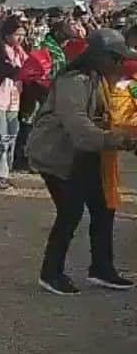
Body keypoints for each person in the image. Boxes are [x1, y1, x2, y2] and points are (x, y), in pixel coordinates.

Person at [26, 29, 136, 296]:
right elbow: (80, 130)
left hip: (82, 155)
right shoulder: (74, 82)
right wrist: (118, 140)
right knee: (70, 213)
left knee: (103, 208)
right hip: (56, 156)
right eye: (117, 59)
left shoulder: (97, 78)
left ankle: (101, 268)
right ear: (101, 57)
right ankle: (50, 273)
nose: (120, 65)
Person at [0, 17, 28, 190]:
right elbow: (4, 71)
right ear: (8, 34)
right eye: (17, 34)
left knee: (11, 137)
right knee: (0, 138)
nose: (20, 38)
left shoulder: (20, 52)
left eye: (22, 35)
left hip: (14, 99)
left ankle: (5, 172)